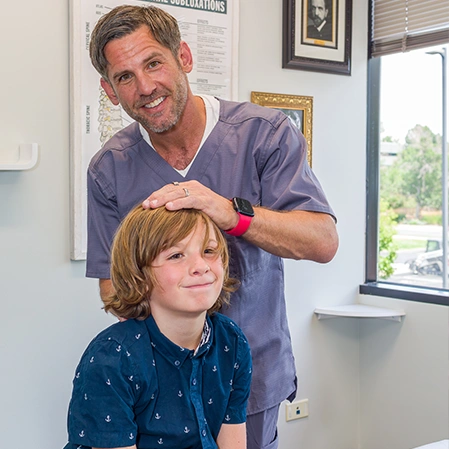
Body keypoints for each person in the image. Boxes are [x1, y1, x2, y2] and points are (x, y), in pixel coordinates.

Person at [86, 5, 338, 448]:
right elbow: (113, 289)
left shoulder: (263, 134)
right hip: (158, 388)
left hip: (252, 374)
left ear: (183, 56)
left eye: (153, 63)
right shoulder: (110, 169)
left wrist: (230, 214)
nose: (145, 87)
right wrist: (181, 323)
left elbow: (322, 241)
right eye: (125, 77)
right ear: (110, 91)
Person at [64, 206, 252, 449]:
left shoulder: (231, 341)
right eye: (176, 255)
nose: (201, 266)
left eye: (208, 251)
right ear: (139, 277)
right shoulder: (112, 359)